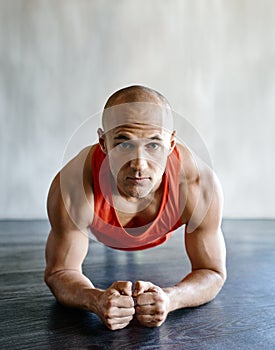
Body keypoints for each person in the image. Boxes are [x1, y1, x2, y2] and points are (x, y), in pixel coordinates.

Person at [45, 85, 226, 330]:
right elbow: (59, 272)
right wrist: (94, 299)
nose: (139, 165)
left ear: (171, 144)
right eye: (124, 144)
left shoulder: (197, 184)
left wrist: (170, 299)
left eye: (153, 145)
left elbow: (212, 272)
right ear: (103, 143)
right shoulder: (75, 184)